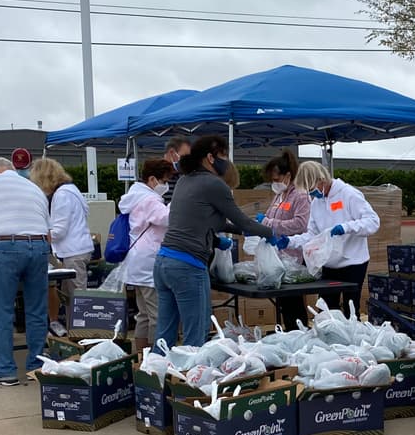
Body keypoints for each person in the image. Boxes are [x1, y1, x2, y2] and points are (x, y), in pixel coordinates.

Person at [153, 135, 276, 351]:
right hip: (188, 266)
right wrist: (270, 233)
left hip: (164, 263)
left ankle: (155, 370)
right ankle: (192, 372)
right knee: (196, 337)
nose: (226, 162)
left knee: (165, 335)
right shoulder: (213, 184)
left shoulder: (184, 180)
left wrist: (224, 238)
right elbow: (242, 220)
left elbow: (211, 222)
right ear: (210, 158)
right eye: (224, 156)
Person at [0, 156, 52, 386]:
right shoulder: (34, 187)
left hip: (6, 246)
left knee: (1, 311)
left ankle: (5, 371)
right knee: (36, 310)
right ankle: (36, 366)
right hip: (39, 246)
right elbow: (48, 233)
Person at [286, 160, 380, 316]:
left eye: (311, 189)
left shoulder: (349, 194)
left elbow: (372, 221)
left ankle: (352, 331)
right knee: (326, 311)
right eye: (308, 191)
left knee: (351, 309)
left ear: (321, 180)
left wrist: (346, 227)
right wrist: (290, 241)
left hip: (353, 262)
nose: (311, 194)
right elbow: (312, 235)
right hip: (330, 263)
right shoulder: (316, 203)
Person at [29, 157, 94, 336]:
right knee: (71, 294)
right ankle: (77, 332)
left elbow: (59, 229)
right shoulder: (72, 190)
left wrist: (38, 235)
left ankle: (81, 333)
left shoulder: (61, 195)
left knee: (76, 296)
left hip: (72, 250)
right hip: (78, 248)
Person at [119, 159, 172, 353]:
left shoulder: (134, 196)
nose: (165, 185)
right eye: (164, 181)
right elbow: (166, 218)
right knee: (157, 314)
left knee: (142, 314)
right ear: (152, 179)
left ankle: (141, 355)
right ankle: (156, 355)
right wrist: (177, 203)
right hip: (149, 261)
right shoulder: (149, 200)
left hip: (136, 261)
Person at [258, 150, 312, 329]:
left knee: (293, 303)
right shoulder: (279, 195)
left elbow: (300, 224)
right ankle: (289, 333)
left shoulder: (301, 196)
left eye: (276, 179)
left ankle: (299, 333)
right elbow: (268, 217)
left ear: (288, 175)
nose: (274, 183)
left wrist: (269, 223)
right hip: (279, 257)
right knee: (284, 303)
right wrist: (259, 226)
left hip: (294, 257)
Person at [161, 135, 190, 205]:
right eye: (184, 157)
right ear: (172, 152)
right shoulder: (153, 176)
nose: (187, 161)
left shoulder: (185, 176)